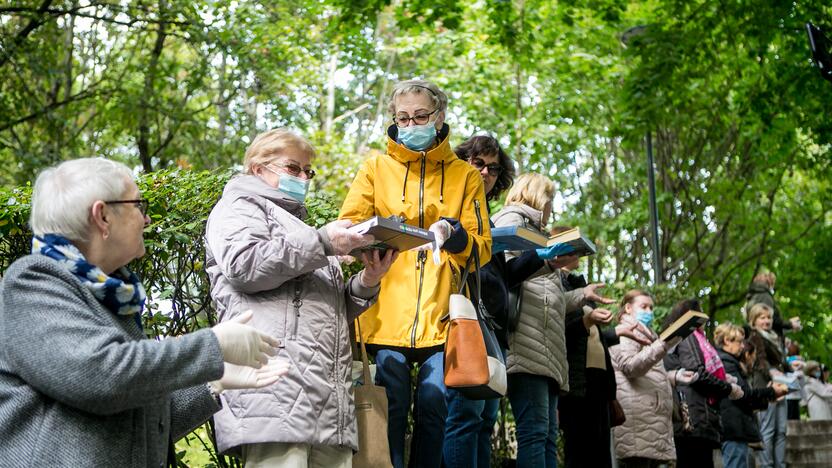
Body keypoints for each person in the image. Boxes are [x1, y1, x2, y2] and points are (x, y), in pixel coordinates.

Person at [0, 158, 285, 467]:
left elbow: (138, 421)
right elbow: (100, 376)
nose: (146, 219)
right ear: (103, 216)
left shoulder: (112, 298)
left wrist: (212, 383)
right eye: (138, 205)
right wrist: (211, 346)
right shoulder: (33, 281)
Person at [205, 129, 396, 467]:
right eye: (292, 168)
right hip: (274, 390)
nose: (303, 178)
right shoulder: (237, 206)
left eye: (308, 171)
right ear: (257, 167)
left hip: (325, 396)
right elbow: (244, 266)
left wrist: (368, 281)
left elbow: (324, 309)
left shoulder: (298, 225)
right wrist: (324, 243)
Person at [339, 80, 491, 468]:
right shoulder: (376, 167)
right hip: (384, 312)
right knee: (386, 409)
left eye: (421, 116)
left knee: (435, 407)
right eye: (403, 117)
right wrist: (377, 237)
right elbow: (348, 227)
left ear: (439, 118)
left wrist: (453, 234)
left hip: (442, 317)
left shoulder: (466, 176)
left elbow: (482, 249)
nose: (411, 124)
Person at [492, 173, 614, 468]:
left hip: (547, 350)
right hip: (526, 345)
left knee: (546, 436)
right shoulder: (512, 219)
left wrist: (583, 294)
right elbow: (505, 275)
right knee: (534, 434)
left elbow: (551, 301)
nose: (551, 207)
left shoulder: (538, 232)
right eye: (550, 199)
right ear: (536, 195)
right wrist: (546, 259)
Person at [443, 135, 545, 468]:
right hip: (467, 321)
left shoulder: (485, 213)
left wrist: (543, 258)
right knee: (465, 416)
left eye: (493, 167)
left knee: (485, 422)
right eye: (478, 163)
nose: (486, 172)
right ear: (462, 162)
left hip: (494, 327)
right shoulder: (451, 203)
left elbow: (502, 277)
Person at [610, 290, 696, 468]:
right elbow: (630, 367)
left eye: (651, 307)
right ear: (627, 308)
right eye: (643, 307)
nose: (649, 311)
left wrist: (674, 376)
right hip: (637, 418)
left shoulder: (648, 335)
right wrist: (663, 345)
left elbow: (649, 373)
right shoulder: (626, 334)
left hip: (649, 419)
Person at [663, 299, 744, 468]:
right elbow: (696, 372)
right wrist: (728, 388)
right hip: (694, 417)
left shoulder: (674, 336)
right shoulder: (687, 334)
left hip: (689, 419)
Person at [715, 323, 788, 468]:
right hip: (733, 428)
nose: (742, 346)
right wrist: (771, 391)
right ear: (727, 341)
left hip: (736, 428)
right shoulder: (726, 363)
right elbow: (743, 394)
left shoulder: (728, 361)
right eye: (739, 342)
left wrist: (771, 396)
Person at [745, 303, 789, 468]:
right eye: (762, 317)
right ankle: (767, 465)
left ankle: (780, 465)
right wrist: (771, 374)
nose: (766, 320)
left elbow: (781, 362)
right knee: (768, 430)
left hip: (782, 386)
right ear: (754, 320)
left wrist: (792, 370)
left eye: (769, 317)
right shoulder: (754, 337)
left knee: (781, 431)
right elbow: (761, 361)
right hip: (765, 386)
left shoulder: (775, 337)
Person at [744, 272, 800, 344]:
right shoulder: (765, 296)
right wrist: (790, 324)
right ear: (769, 283)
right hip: (766, 340)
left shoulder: (752, 297)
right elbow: (770, 320)